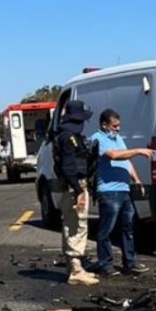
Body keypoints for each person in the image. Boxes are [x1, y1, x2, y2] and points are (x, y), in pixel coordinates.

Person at [89, 109, 153, 276]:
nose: (118, 129)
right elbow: (114, 155)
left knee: (127, 228)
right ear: (104, 125)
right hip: (109, 191)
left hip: (124, 191)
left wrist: (136, 180)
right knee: (106, 230)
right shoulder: (98, 139)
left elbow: (126, 161)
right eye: (114, 126)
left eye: (118, 126)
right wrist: (139, 150)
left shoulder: (118, 139)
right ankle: (105, 264)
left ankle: (130, 263)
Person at [52, 100, 99, 286]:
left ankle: (73, 267)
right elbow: (69, 166)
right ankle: (76, 269)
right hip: (74, 185)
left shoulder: (65, 135)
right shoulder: (68, 137)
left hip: (72, 184)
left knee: (71, 224)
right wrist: (79, 191)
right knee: (77, 225)